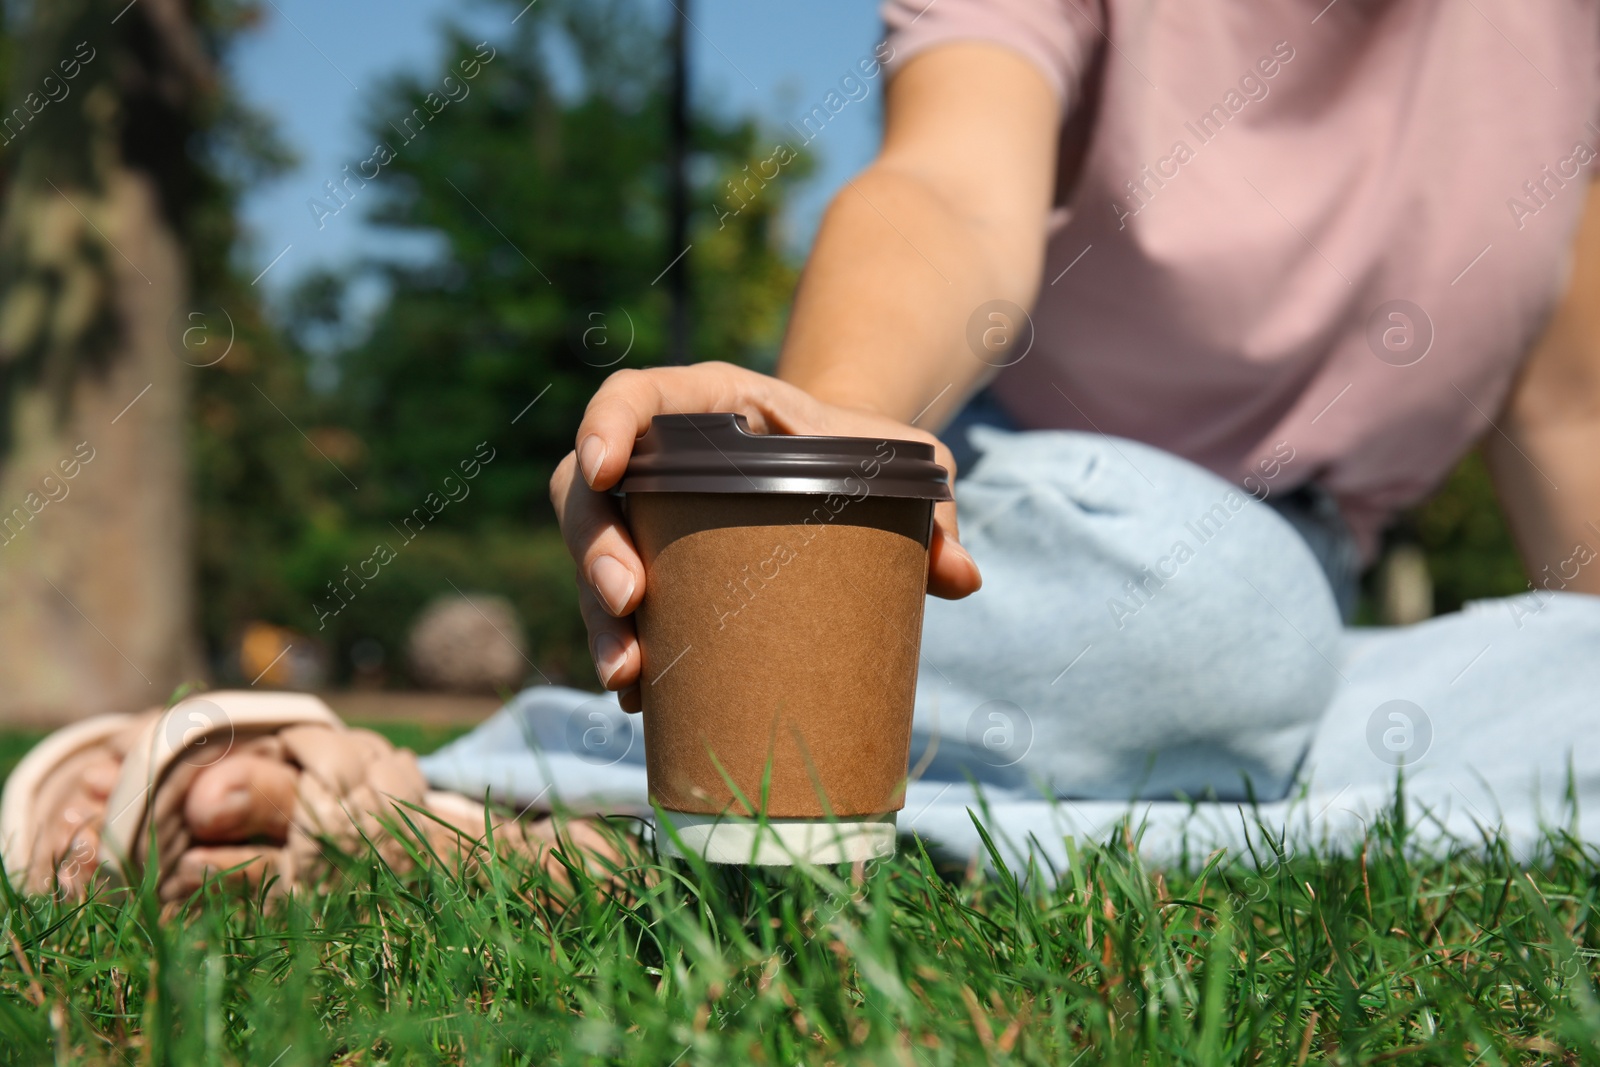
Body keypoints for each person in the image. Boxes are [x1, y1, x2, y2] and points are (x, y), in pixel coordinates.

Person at [13, 0, 1600, 896]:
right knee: (1230, 610)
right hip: (1026, 531)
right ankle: (501, 775)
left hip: (1315, 634)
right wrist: (824, 444)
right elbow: (951, 195)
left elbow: (1563, 406)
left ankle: (677, 846)